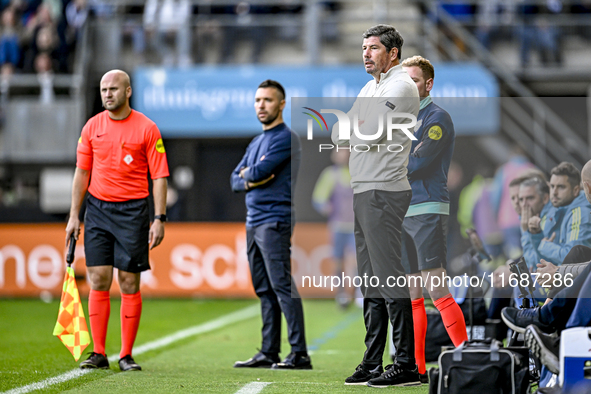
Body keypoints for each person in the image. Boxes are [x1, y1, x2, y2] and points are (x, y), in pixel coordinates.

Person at [332, 24, 420, 387]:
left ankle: (405, 365)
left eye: (372, 48)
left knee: (389, 279)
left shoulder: (401, 85)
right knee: (370, 282)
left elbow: (365, 131)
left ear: (393, 53)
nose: (365, 53)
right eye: (363, 48)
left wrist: (357, 126)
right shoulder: (372, 87)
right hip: (365, 190)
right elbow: (340, 132)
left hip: (384, 191)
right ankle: (372, 361)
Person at [65, 69, 169, 371]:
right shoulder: (91, 127)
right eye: (103, 89)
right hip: (97, 210)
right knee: (98, 278)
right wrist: (74, 214)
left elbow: (160, 175)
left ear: (127, 92)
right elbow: (81, 172)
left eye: (113, 89)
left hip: (133, 211)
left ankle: (125, 355)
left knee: (127, 280)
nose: (107, 94)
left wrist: (159, 217)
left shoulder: (147, 128)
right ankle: (98, 353)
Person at [231, 80, 311, 370]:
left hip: (274, 220)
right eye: (257, 100)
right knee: (264, 288)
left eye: (267, 100)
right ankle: (269, 351)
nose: (261, 105)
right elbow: (234, 179)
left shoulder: (285, 138)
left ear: (281, 104)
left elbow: (261, 170)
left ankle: (300, 353)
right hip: (253, 221)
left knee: (281, 285)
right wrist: (251, 176)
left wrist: (250, 175)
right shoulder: (256, 142)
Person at [399, 55, 467, 382]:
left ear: (427, 84)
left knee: (436, 289)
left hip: (427, 209)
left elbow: (417, 164)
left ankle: (469, 359)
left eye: (413, 81)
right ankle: (417, 369)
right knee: (413, 294)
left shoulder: (438, 118)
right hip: (403, 211)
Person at [312, 149, 356, 308]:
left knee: (356, 260)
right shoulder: (330, 174)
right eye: (339, 152)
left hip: (356, 225)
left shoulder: (357, 172)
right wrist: (324, 206)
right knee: (337, 260)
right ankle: (341, 293)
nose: (342, 155)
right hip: (337, 225)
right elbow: (318, 198)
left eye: (345, 152)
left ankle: (357, 293)